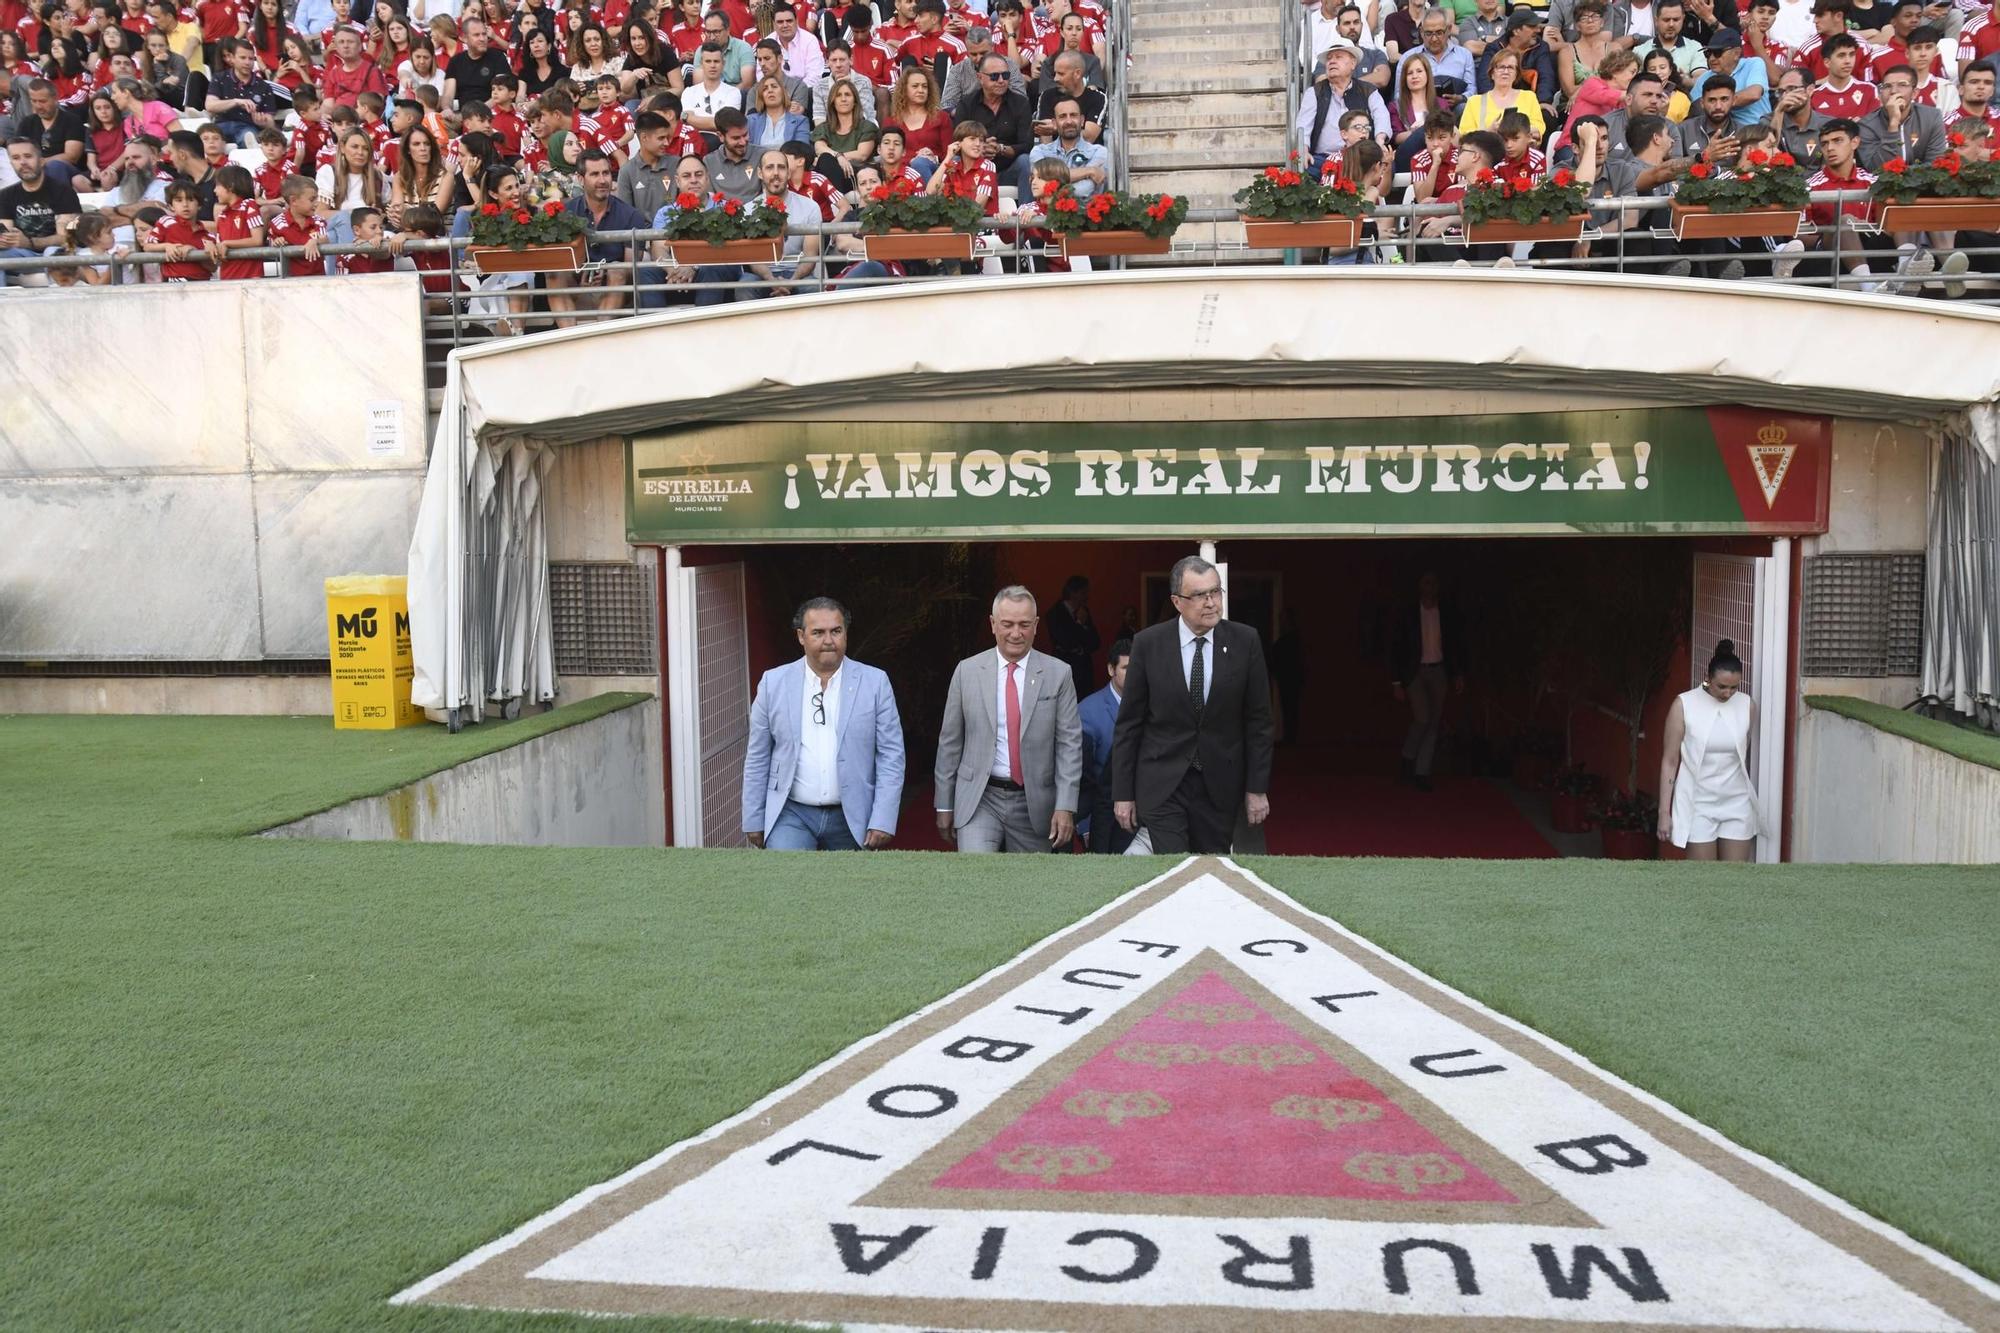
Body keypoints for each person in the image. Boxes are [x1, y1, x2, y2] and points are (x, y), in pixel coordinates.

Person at [1111, 554, 1275, 855]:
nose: (1211, 602)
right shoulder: (1148, 644)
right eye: (1200, 595)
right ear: (1177, 601)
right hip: (1163, 784)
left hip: (1220, 785)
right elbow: (1129, 725)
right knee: (1172, 870)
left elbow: (1259, 722)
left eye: (1215, 592)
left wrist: (1256, 788)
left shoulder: (1245, 641)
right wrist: (1122, 794)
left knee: (1210, 873)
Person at [741, 596, 905, 851]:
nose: (828, 640)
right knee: (788, 885)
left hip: (853, 816)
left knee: (849, 890)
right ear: (801, 636)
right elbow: (758, 755)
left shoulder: (875, 683)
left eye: (836, 631)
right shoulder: (773, 683)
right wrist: (753, 817)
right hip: (791, 815)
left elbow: (891, 756)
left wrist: (883, 818)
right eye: (818, 632)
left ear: (846, 634)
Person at [933, 585, 1082, 853]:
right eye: (1007, 624)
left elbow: (1069, 745)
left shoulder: (1059, 674)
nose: (1016, 633)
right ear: (993, 625)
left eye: (1024, 624)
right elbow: (950, 743)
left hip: (1034, 801)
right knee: (977, 877)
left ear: (1036, 625)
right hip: (980, 797)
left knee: (1029, 888)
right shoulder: (967, 672)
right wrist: (944, 804)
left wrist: (1065, 805)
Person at [1657, 638, 1762, 861]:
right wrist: (1664, 813)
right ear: (1707, 678)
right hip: (1697, 803)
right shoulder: (1683, 704)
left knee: (1734, 881)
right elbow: (1670, 761)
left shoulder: (1747, 705)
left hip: (1737, 801)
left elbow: (1743, 750)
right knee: (1703, 882)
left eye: (1734, 687)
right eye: (1721, 687)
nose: (1727, 693)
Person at [1390, 571, 1466, 792]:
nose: (1430, 586)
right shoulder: (1408, 614)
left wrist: (1458, 673)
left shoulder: (1446, 613)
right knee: (1422, 717)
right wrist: (1396, 682)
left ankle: (1421, 772)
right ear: (1419, 586)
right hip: (1415, 672)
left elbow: (1455, 644)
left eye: (1433, 582)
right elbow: (1397, 646)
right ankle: (1407, 757)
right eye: (1425, 582)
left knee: (1434, 722)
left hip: (1439, 670)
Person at [1078, 636, 1132, 853]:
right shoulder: (1088, 712)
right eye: (1127, 668)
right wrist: (1084, 825)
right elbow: (1081, 778)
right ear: (1111, 669)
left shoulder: (1155, 706)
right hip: (1103, 820)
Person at [1044, 574, 1099, 699]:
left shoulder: (1085, 612)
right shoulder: (1054, 614)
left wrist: (1084, 626)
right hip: (1064, 672)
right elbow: (1066, 642)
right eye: (1084, 592)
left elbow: (1096, 642)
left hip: (1085, 675)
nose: (1087, 597)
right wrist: (1080, 624)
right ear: (1073, 592)